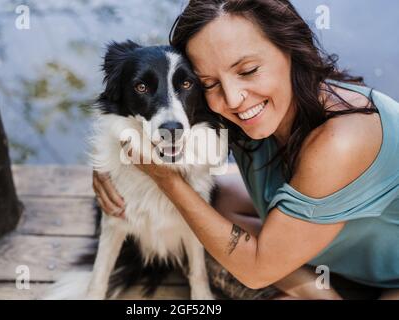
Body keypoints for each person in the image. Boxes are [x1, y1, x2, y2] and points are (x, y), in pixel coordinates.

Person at [93, 0, 399, 299]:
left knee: (231, 255)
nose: (234, 98)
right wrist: (113, 166)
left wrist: (164, 178)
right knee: (217, 198)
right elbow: (145, 99)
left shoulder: (341, 140)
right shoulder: (247, 109)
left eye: (248, 70)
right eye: (210, 82)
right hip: (346, 264)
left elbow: (256, 272)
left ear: (290, 47)